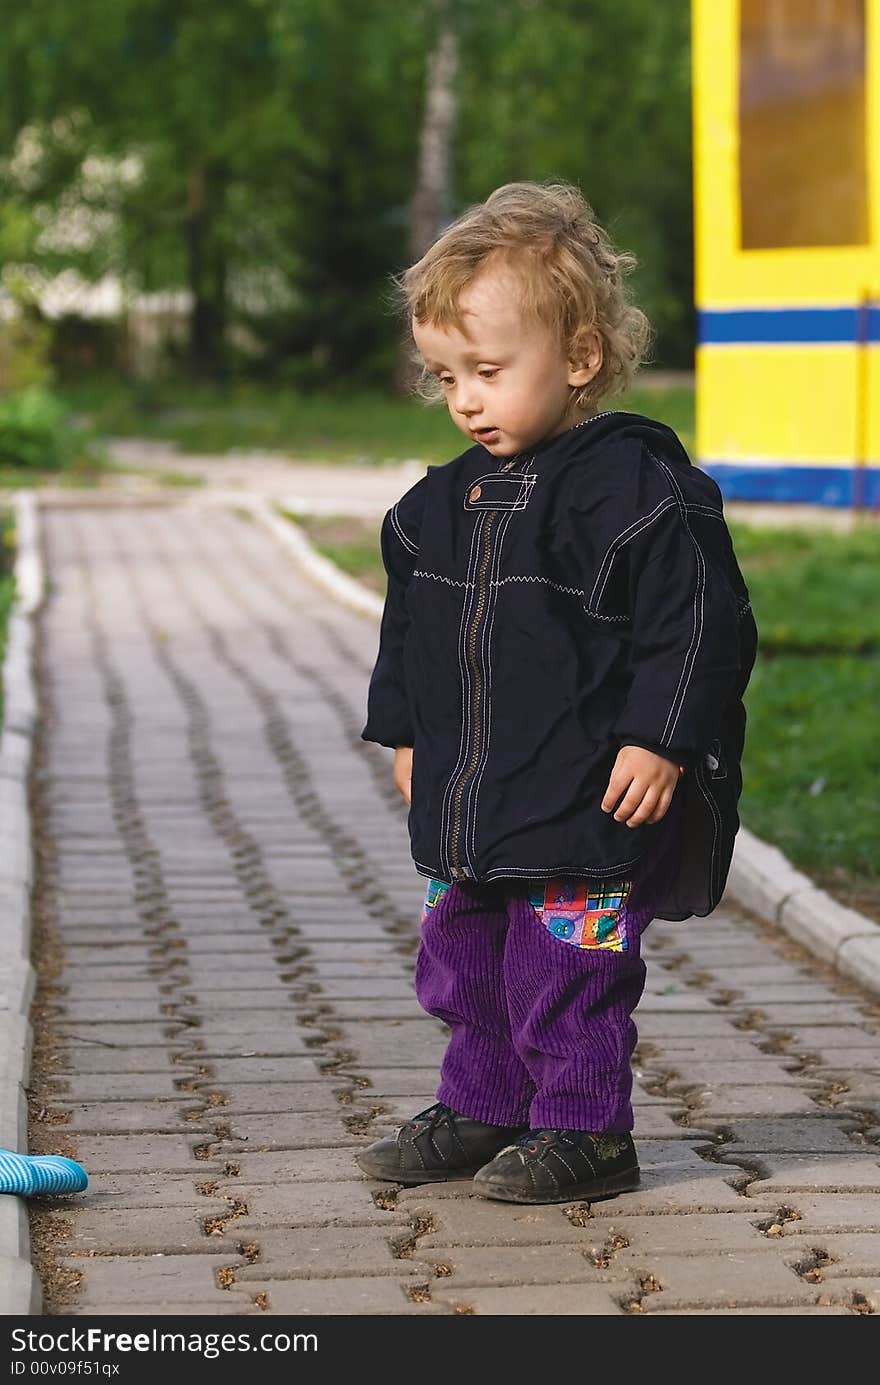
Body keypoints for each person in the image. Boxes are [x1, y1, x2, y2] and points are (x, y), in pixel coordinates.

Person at [357, 181, 757, 1205]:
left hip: (584, 797)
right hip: (472, 801)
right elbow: (408, 634)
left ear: (578, 359)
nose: (464, 399)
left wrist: (660, 739)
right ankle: (484, 1102)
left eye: (487, 372)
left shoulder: (634, 489)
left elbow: (700, 626)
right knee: (465, 961)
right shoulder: (433, 509)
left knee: (564, 974)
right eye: (446, 375)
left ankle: (584, 1126)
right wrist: (403, 732)